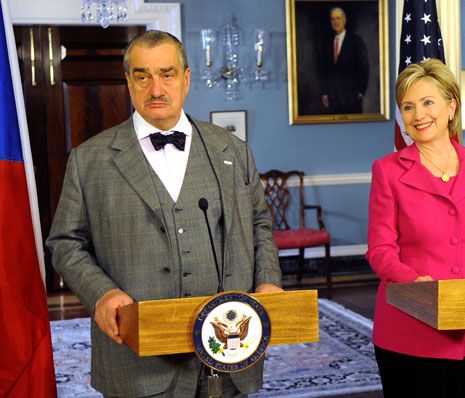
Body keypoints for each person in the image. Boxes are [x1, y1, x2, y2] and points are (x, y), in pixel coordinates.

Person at [46, 30, 283, 398]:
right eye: (143, 76)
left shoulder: (233, 151)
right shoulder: (89, 160)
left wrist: (268, 281)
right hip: (137, 358)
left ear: (186, 78)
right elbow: (65, 243)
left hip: (230, 347)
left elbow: (259, 225)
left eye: (167, 74)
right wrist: (103, 294)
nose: (156, 89)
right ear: (128, 82)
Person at [365, 59, 465, 397]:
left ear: (451, 106)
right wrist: (418, 286)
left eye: (427, 102)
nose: (418, 115)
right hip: (411, 326)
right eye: (408, 106)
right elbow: (380, 251)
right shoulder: (388, 171)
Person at [319, 7, 369, 114]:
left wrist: (360, 93)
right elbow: (324, 70)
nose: (336, 22)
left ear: (344, 20)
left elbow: (364, 68)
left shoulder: (356, 41)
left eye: (338, 18)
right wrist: (324, 93)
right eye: (333, 19)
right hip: (332, 100)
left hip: (352, 99)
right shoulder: (327, 43)